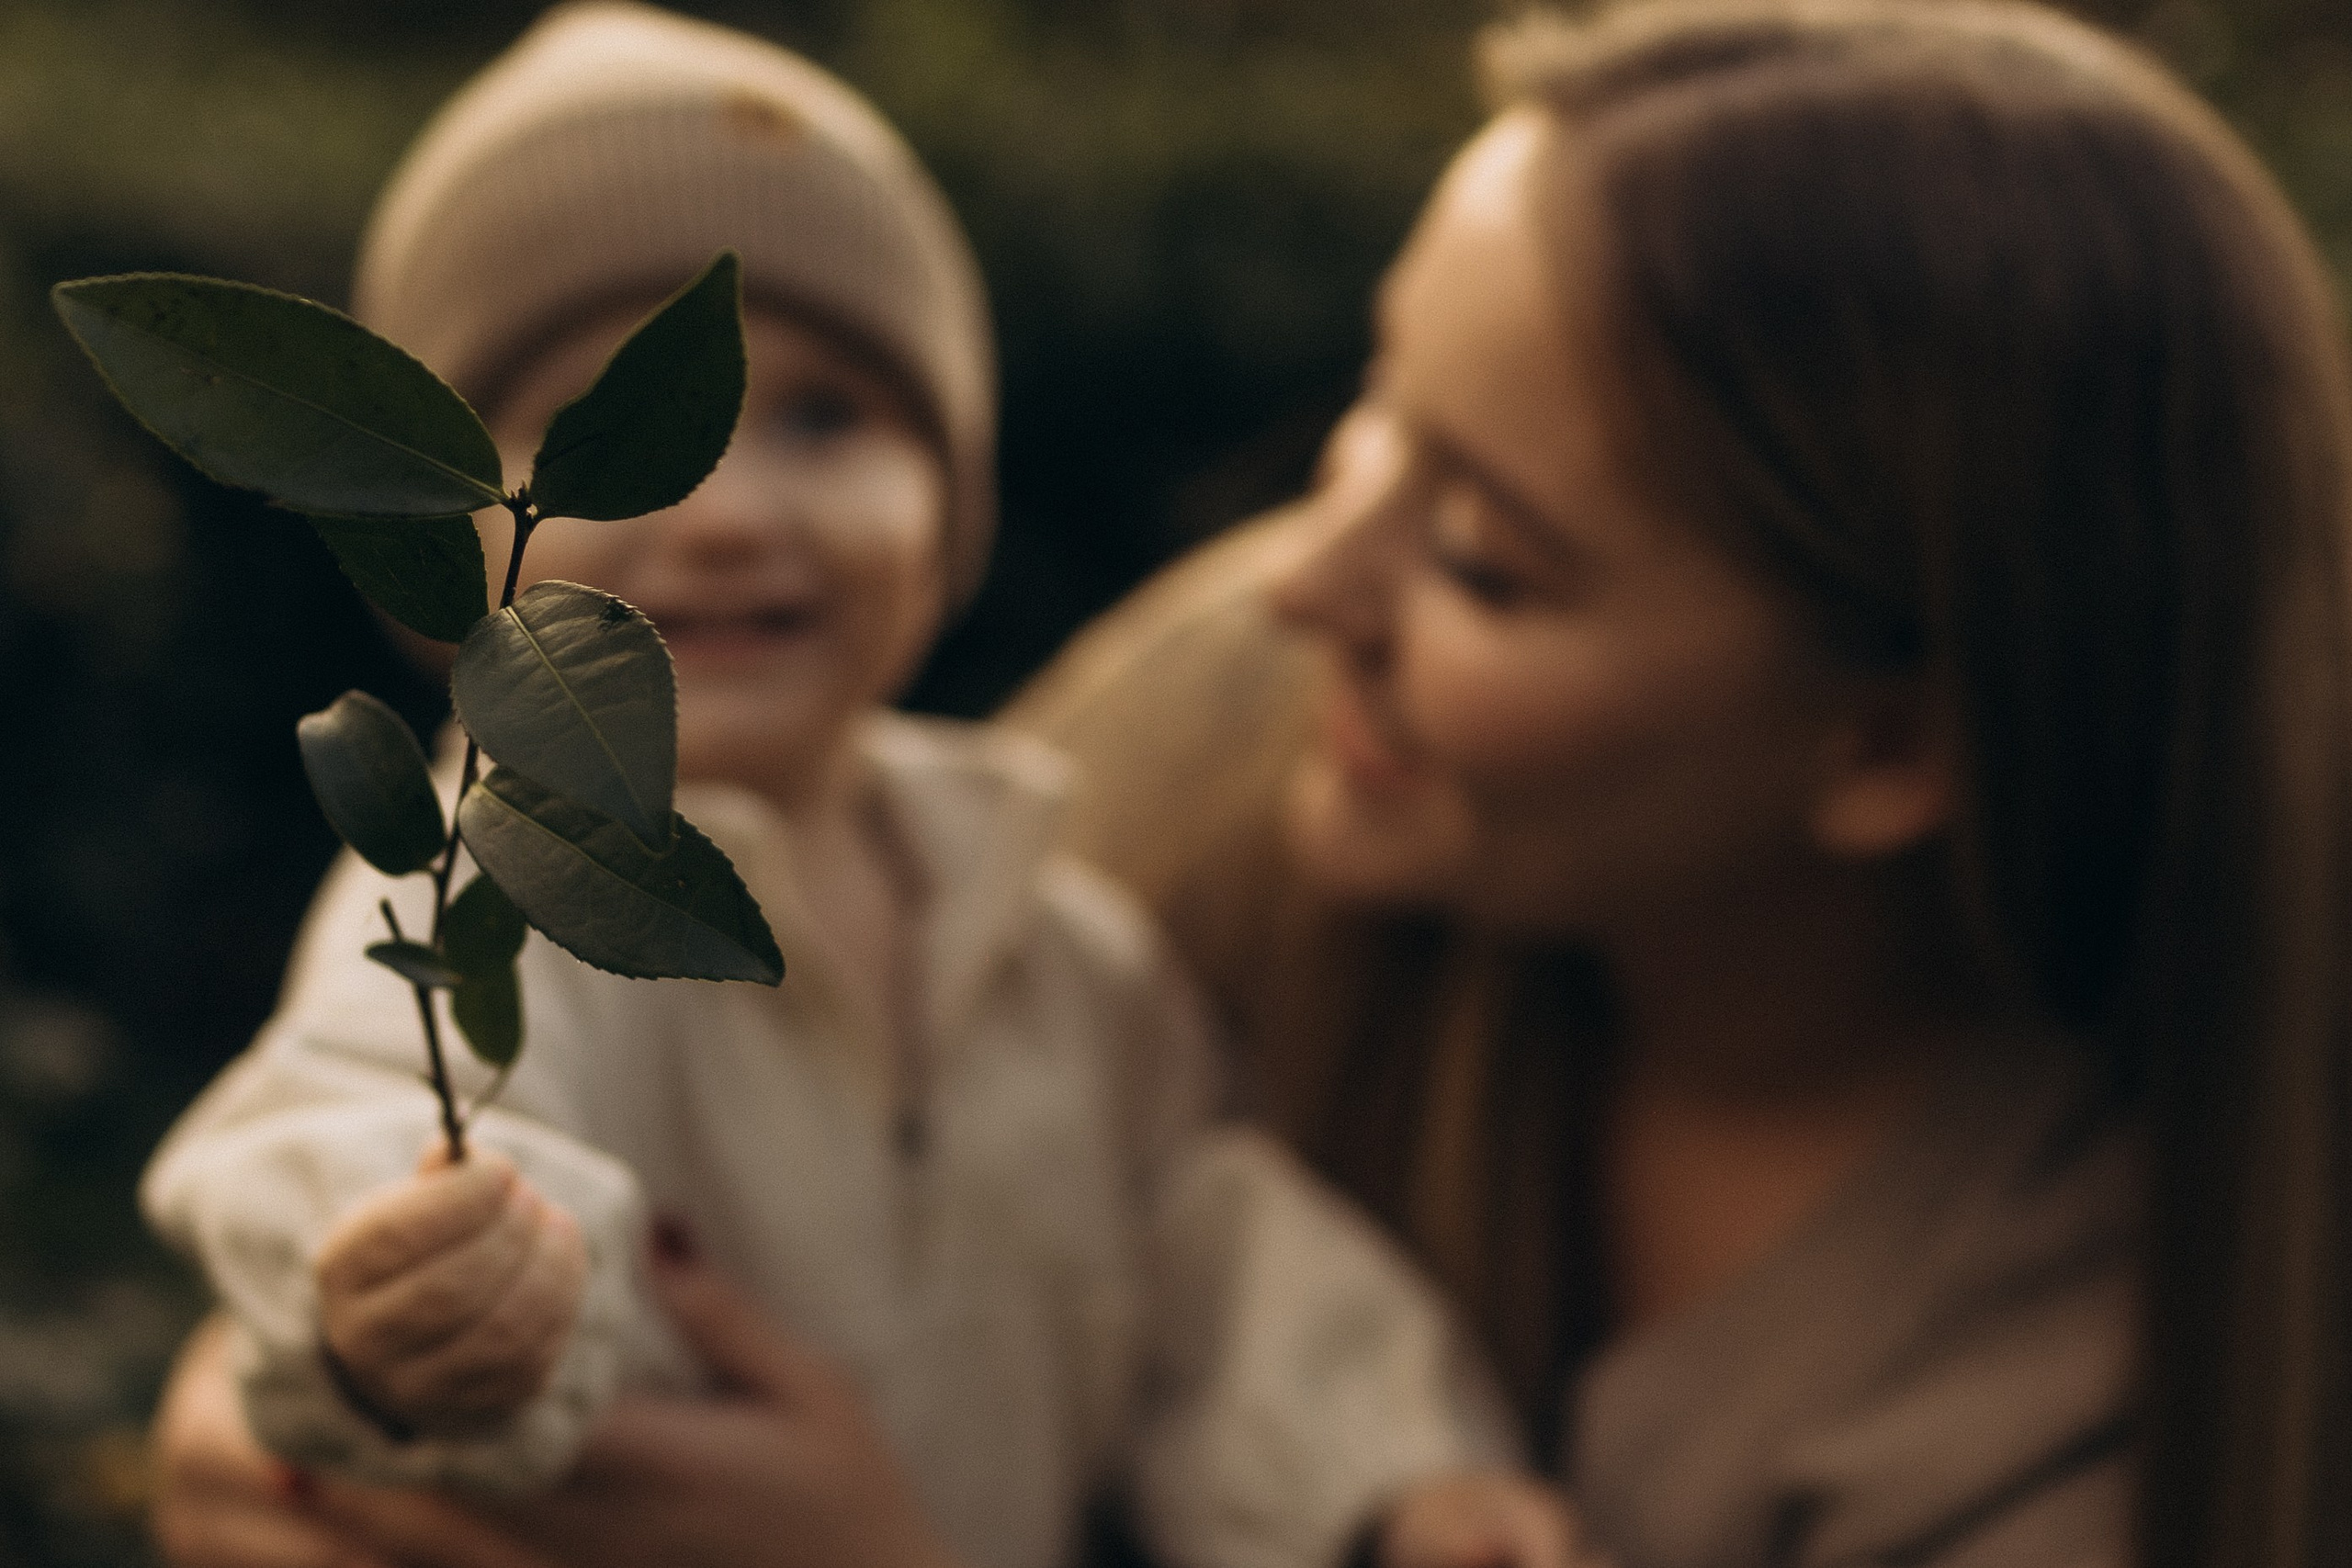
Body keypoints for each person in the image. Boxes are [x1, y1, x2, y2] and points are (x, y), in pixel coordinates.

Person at [137, 7, 1523, 1568]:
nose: (726, 514)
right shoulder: (486, 878)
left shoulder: (1059, 938)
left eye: (822, 416)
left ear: (951, 505)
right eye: (608, 441)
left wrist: (1396, 1484)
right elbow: (370, 1101)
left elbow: (1218, 1269)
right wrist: (414, 1282)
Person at [1013, 2, 2352, 1564]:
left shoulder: (2065, 1417)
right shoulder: (1238, 725)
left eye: (1483, 564)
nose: (1309, 581)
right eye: (1380, 408)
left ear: (1890, 750)